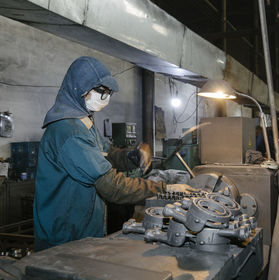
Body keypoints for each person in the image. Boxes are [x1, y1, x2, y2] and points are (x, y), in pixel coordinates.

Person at [34, 56, 193, 251]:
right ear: (80, 89)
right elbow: (112, 187)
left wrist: (132, 157)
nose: (106, 97)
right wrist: (165, 189)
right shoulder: (69, 132)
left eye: (108, 92)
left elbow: (106, 153)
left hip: (84, 232)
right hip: (64, 240)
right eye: (101, 91)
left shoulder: (83, 124)